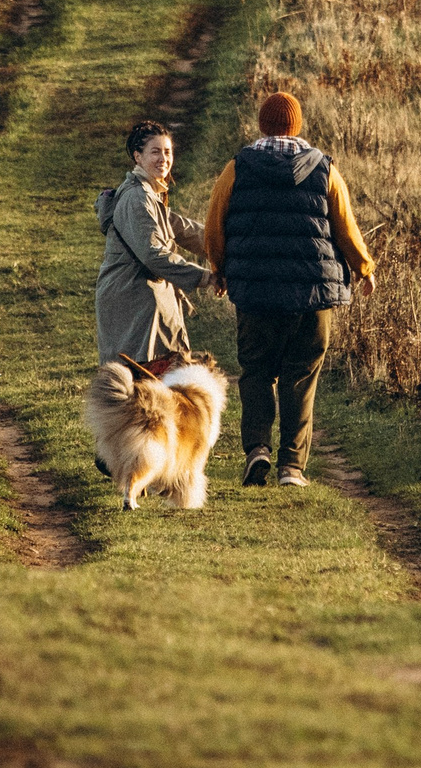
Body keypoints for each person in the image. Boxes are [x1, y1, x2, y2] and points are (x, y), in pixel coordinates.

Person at [204, 90, 375, 489]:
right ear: (296, 126)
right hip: (313, 295)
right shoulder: (323, 168)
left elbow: (216, 221)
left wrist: (219, 267)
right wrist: (363, 267)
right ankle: (292, 468)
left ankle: (257, 449)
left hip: (256, 293)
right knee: (301, 376)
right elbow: (345, 227)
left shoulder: (237, 167)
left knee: (257, 371)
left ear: (262, 125)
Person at [94, 120, 210, 367]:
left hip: (140, 301)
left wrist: (225, 245)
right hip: (135, 303)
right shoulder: (138, 197)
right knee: (142, 385)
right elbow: (153, 254)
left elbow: (180, 228)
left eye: (167, 152)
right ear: (138, 156)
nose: (163, 159)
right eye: (155, 152)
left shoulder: (147, 192)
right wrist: (205, 277)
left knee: (154, 385)